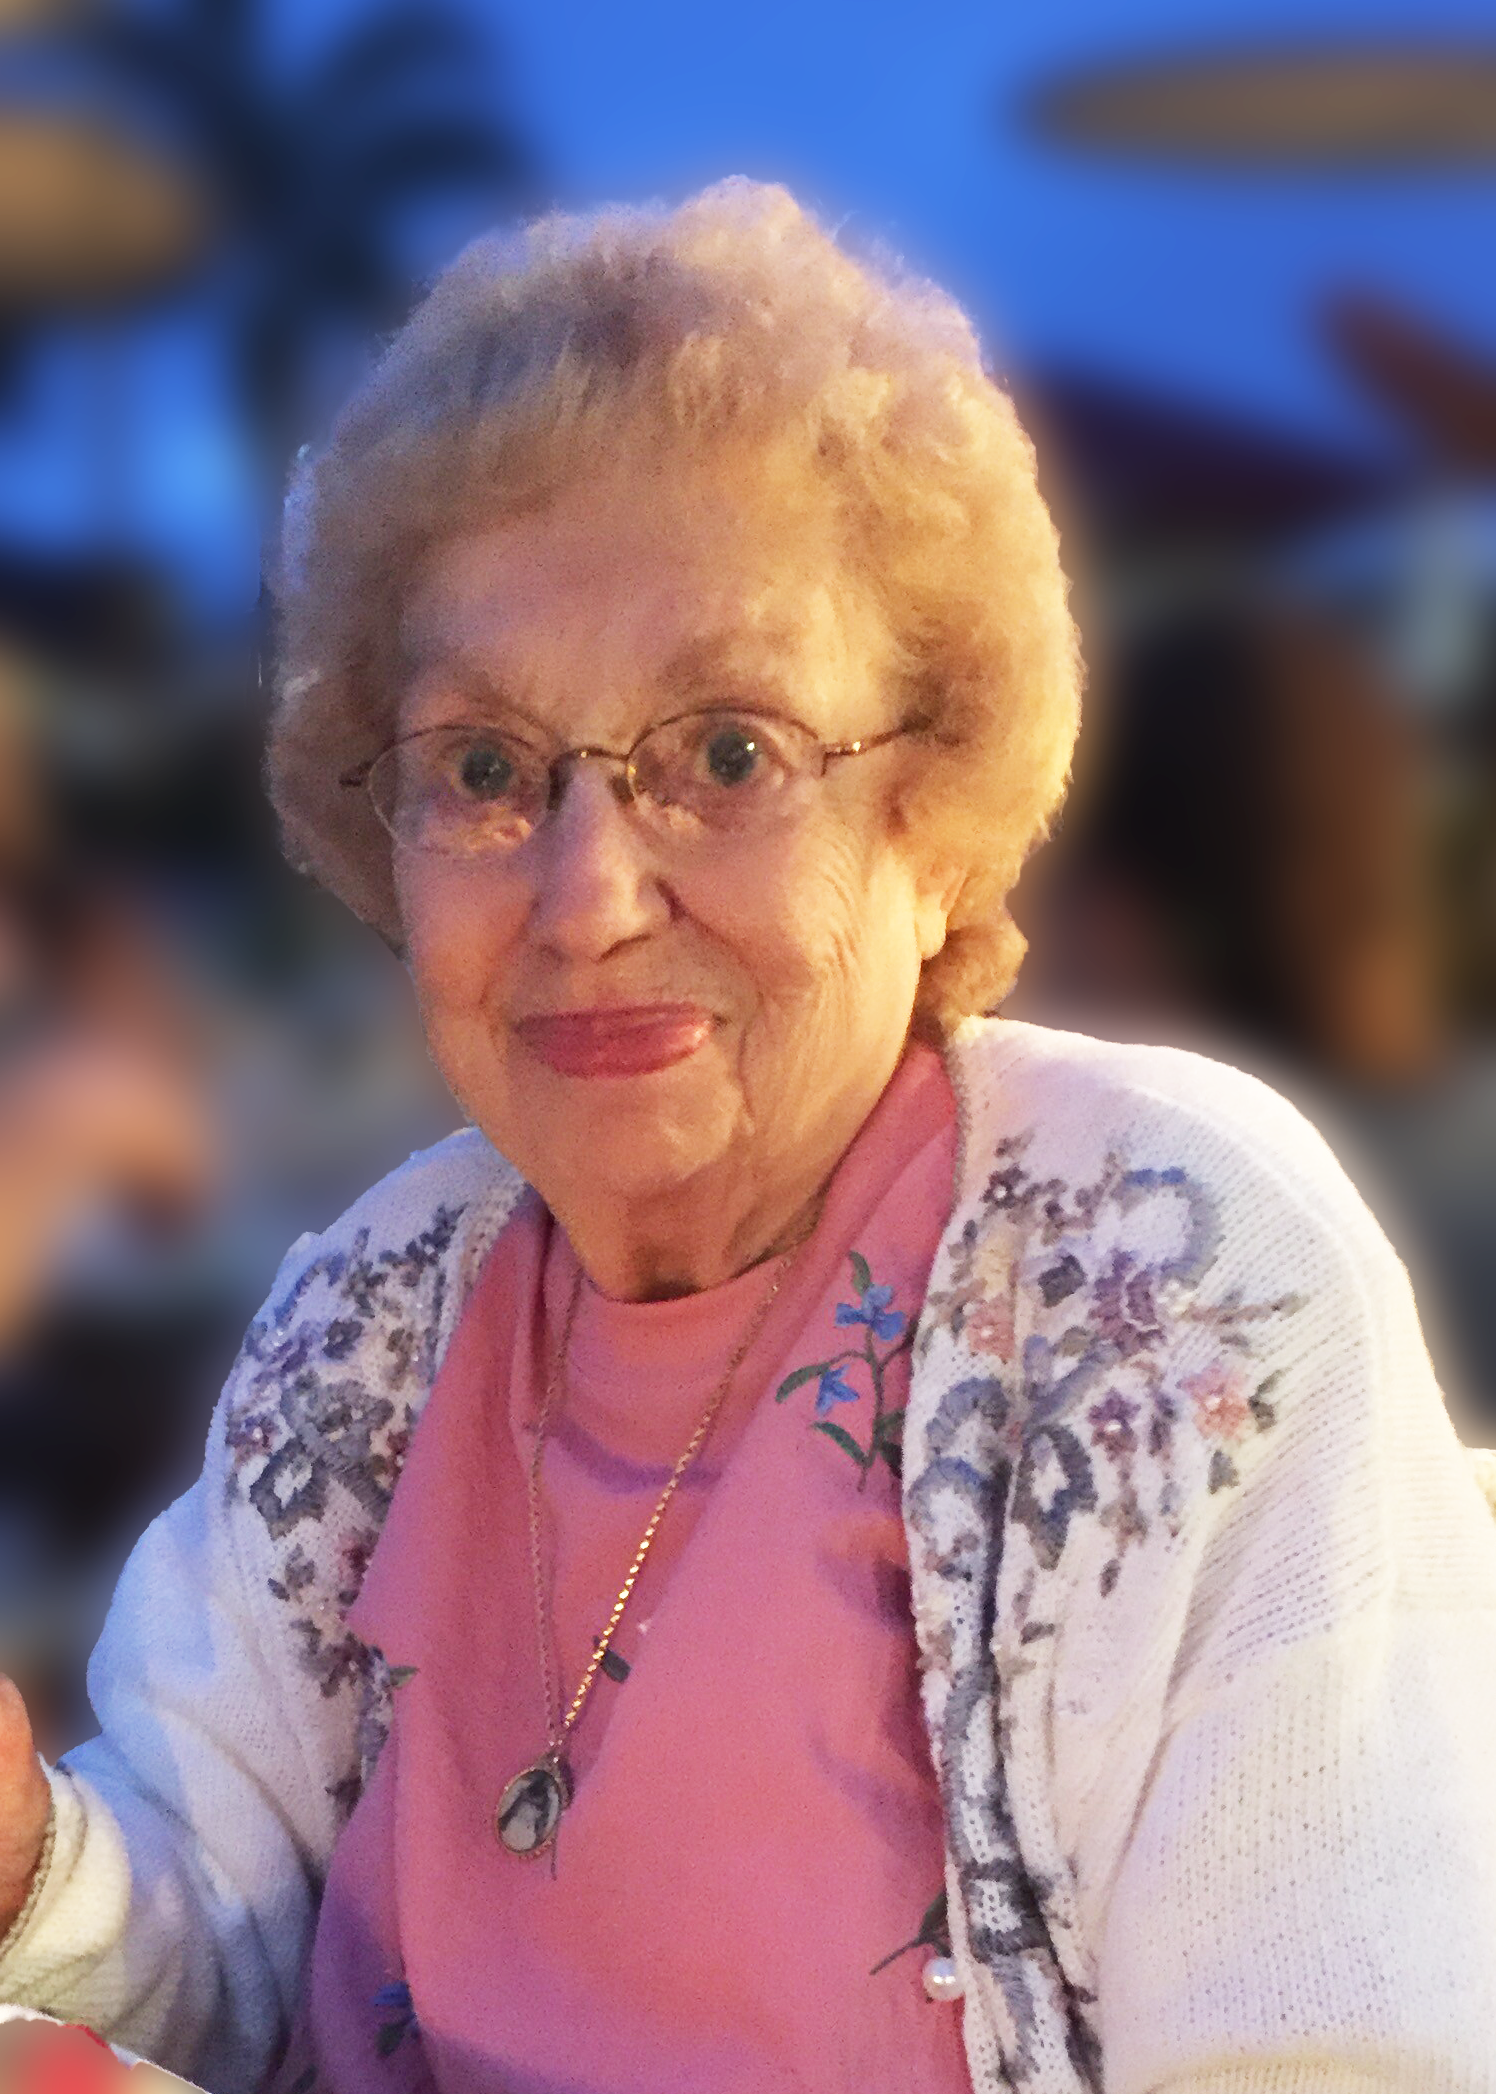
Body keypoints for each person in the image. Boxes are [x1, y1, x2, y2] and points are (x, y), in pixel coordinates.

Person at [1, 180, 1494, 2094]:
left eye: (728, 753)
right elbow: (222, 1955)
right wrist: (26, 1858)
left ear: (932, 821)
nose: (587, 894)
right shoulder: (373, 1315)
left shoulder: (1173, 1270)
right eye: (484, 768)